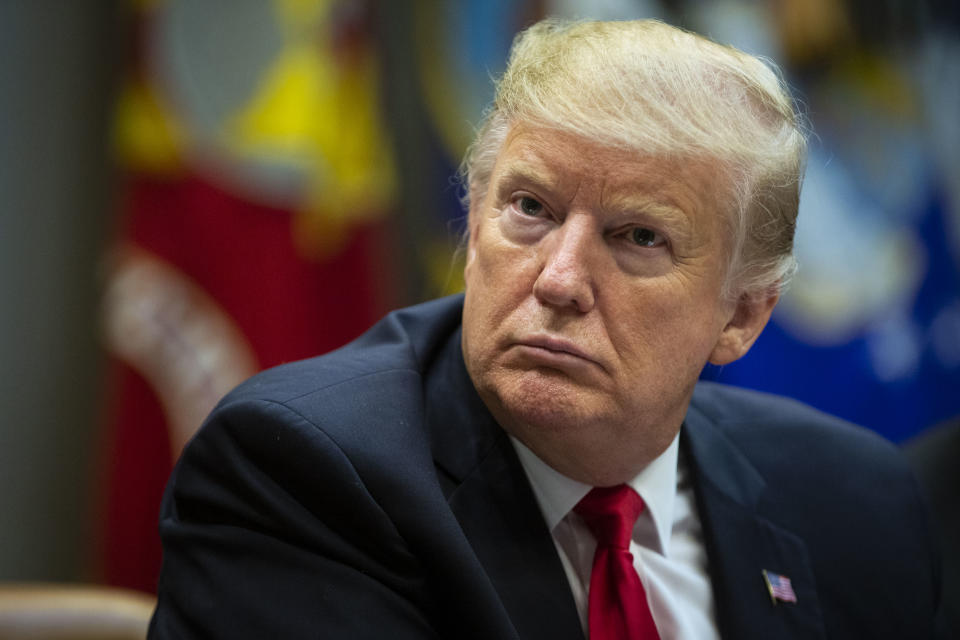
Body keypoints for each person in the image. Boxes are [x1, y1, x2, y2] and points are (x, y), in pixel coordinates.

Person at [148, 19, 944, 640]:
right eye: (530, 208)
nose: (559, 280)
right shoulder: (304, 475)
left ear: (741, 315)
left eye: (639, 237)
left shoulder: (854, 502)